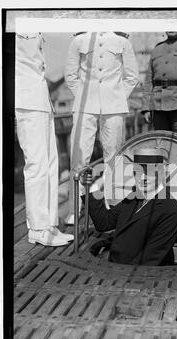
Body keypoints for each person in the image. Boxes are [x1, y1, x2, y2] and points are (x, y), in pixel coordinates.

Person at [64, 31, 139, 225]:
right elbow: (71, 74)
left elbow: (132, 76)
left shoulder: (121, 40)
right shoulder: (79, 40)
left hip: (114, 106)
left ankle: (111, 203)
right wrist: (82, 96)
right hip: (84, 107)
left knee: (113, 157)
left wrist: (117, 97)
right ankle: (76, 207)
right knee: (78, 157)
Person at [15, 32, 73, 246]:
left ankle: (49, 224)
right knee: (37, 164)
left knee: (50, 164)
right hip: (25, 98)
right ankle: (38, 229)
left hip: (41, 99)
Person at [82, 148, 177, 266]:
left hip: (138, 277)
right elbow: (104, 222)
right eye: (138, 171)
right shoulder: (134, 197)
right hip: (115, 266)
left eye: (149, 172)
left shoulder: (170, 210)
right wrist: (90, 187)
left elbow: (148, 260)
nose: (143, 177)